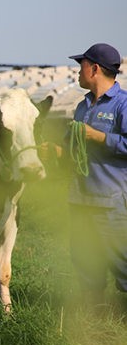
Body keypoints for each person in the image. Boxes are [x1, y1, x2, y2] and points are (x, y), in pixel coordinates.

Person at [67, 43, 127, 306]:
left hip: (111, 202)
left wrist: (100, 137)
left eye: (81, 65)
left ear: (94, 68)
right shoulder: (83, 106)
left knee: (122, 265)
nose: (77, 72)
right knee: (86, 265)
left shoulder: (122, 105)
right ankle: (95, 323)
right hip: (80, 200)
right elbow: (76, 148)